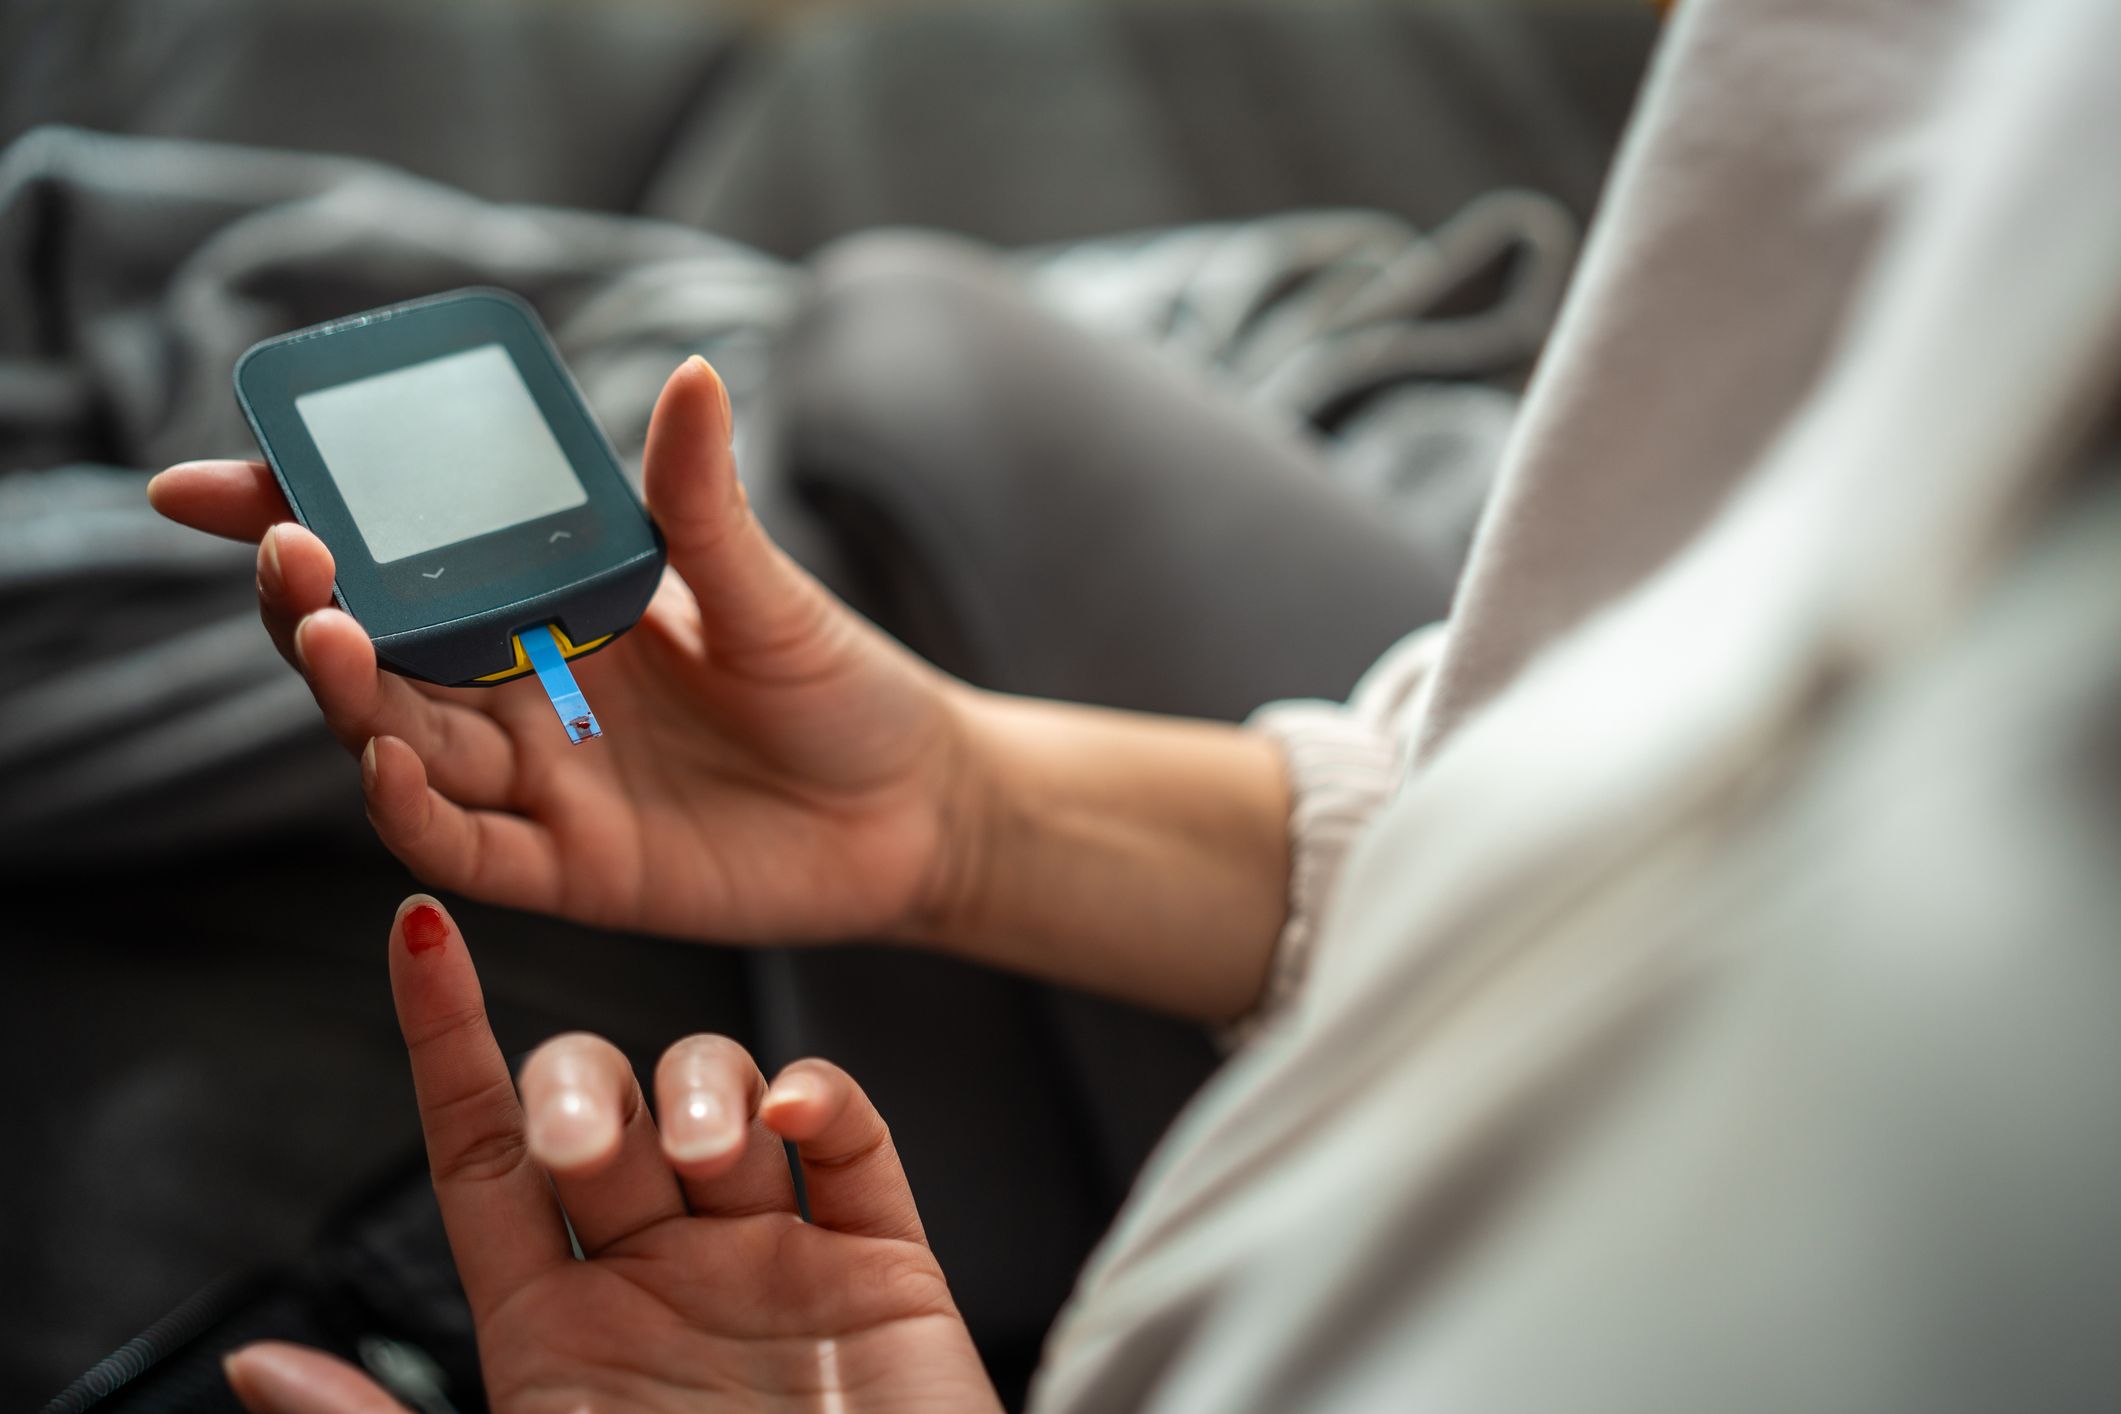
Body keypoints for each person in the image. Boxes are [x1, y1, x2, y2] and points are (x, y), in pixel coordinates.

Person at [148, 0, 2121, 1408]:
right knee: (906, 348)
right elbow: (1690, 799)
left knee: (900, 344)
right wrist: (959, 811)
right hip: (1428, 863)